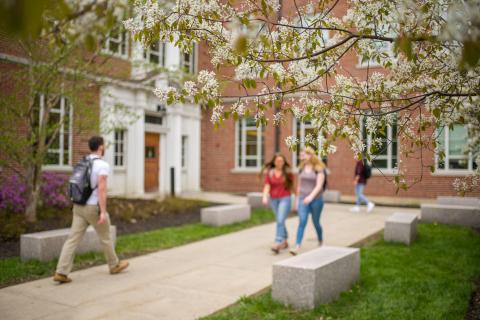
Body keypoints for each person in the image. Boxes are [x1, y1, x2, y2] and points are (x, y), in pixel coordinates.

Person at [54, 136, 129, 283]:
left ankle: (61, 272)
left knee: (72, 239)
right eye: (104, 145)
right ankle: (114, 265)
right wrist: (102, 211)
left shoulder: (82, 162)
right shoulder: (102, 165)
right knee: (106, 237)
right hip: (92, 207)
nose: (105, 147)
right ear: (101, 147)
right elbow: (101, 189)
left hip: (78, 206)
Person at [290, 147, 326, 255]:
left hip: (316, 199)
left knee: (316, 222)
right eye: (300, 155)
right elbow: (299, 186)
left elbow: (319, 186)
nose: (301, 157)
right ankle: (297, 246)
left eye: (303, 155)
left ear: (310, 155)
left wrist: (310, 197)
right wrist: (297, 201)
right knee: (302, 221)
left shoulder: (319, 168)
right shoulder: (301, 168)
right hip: (302, 199)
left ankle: (320, 239)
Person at [261, 153, 294, 254]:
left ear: (284, 162)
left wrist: (296, 200)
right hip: (274, 199)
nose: (280, 163)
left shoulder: (288, 173)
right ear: (274, 162)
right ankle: (284, 239)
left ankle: (278, 241)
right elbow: (267, 185)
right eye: (277, 161)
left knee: (280, 219)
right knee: (280, 220)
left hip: (285, 198)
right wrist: (265, 196)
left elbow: (292, 187)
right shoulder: (270, 173)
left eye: (281, 161)